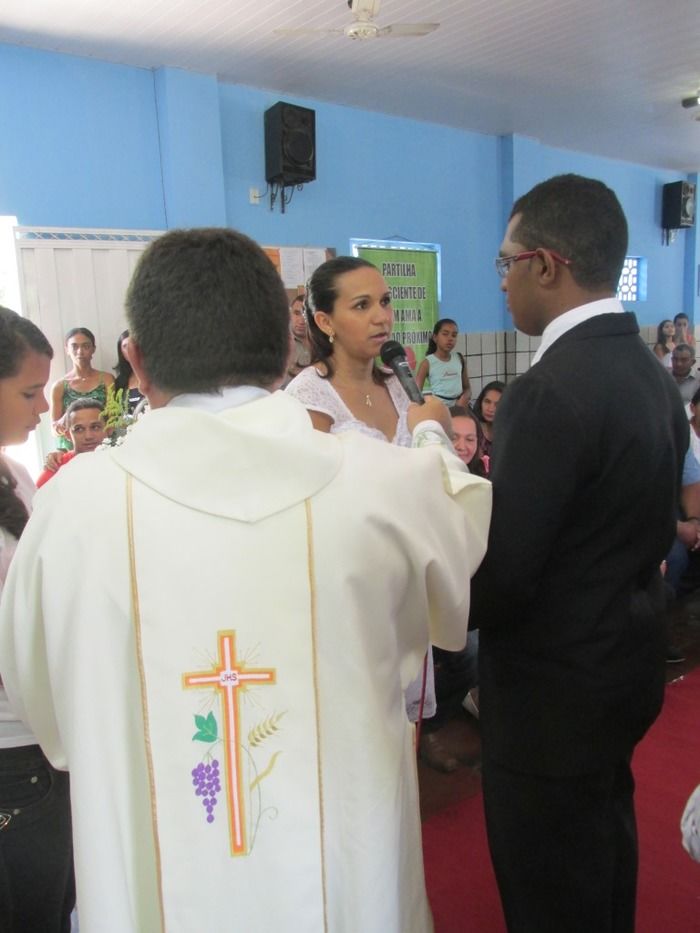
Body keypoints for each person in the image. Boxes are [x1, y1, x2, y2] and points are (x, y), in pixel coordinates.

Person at [0, 229, 491, 933]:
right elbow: (459, 551)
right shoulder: (389, 485)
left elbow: (40, 701)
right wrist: (434, 435)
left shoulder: (68, 509)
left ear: (134, 360)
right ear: (289, 349)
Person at [470, 174, 687, 933]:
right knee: (602, 856)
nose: (500, 281)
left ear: (547, 264)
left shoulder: (548, 391)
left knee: (549, 894)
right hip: (621, 664)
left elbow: (506, 578)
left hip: (548, 697)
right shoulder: (653, 378)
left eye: (506, 262)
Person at [285, 257, 441, 737]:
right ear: (325, 321)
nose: (382, 316)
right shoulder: (309, 396)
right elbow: (313, 508)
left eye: (386, 302)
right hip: (349, 586)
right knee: (358, 732)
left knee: (402, 729)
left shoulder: (401, 388)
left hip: (407, 579)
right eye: (362, 305)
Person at [0, 306, 75, 933]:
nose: (43, 410)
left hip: (41, 735)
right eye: (29, 392)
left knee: (51, 905)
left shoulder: (19, 475)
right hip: (9, 750)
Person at [50, 326, 114, 450]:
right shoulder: (60, 386)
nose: (80, 351)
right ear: (67, 350)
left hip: (102, 448)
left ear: (93, 349)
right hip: (70, 450)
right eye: (74, 346)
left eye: (86, 346)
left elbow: (112, 420)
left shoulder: (106, 379)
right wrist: (65, 421)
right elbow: (54, 430)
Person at [36, 398, 107, 487]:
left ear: (108, 429)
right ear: (68, 435)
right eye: (79, 429)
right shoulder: (55, 468)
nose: (88, 436)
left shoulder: (121, 462)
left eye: (95, 427)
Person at [416, 318, 471, 405]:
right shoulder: (427, 363)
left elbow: (467, 389)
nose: (450, 339)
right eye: (445, 334)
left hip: (460, 410)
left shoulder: (459, 359)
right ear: (435, 337)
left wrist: (464, 399)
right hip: (439, 411)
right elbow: (416, 394)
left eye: (454, 335)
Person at [471, 380, 504, 467]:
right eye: (487, 401)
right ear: (480, 402)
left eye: (497, 404)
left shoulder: (509, 431)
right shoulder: (472, 428)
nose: (491, 409)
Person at [113, 329, 145, 414]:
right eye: (125, 346)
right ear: (121, 353)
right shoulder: (119, 382)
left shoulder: (156, 377)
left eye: (134, 345)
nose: (130, 349)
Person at [284, 293, 311, 385]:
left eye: (306, 315)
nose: (301, 321)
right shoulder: (279, 344)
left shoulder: (325, 344)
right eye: (296, 313)